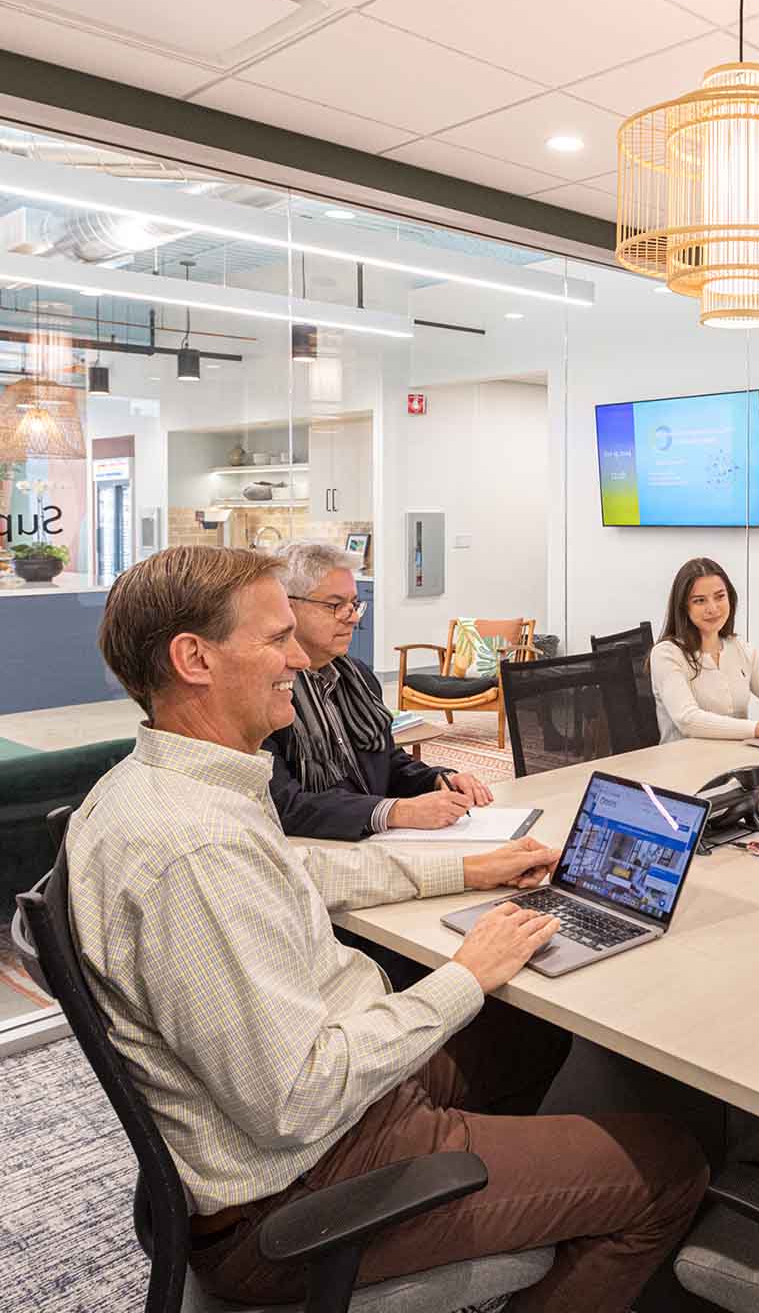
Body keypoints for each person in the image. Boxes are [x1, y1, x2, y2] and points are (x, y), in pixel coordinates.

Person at [68, 545, 709, 1310]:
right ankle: (475, 1201)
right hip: (301, 1188)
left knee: (531, 1033)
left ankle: (503, 1206)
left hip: (325, 1116)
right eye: (277, 638)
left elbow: (302, 870)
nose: (298, 661)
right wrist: (463, 977)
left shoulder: (165, 787)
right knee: (669, 1166)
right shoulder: (195, 850)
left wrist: (467, 870)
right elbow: (297, 1102)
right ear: (194, 659)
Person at [264, 541, 489, 840]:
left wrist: (437, 779)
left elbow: (386, 762)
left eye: (354, 604)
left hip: (374, 844)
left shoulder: (358, 677)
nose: (353, 617)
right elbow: (283, 806)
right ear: (287, 607)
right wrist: (394, 812)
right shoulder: (267, 690)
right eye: (335, 605)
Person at [650, 556, 759, 743]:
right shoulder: (666, 654)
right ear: (683, 607)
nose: (712, 608)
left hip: (735, 756)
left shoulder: (738, 648)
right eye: (700, 601)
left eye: (720, 596)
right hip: (685, 759)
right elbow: (688, 720)